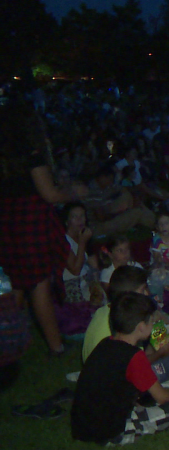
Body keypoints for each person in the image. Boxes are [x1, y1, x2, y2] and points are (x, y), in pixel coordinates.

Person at [0, 95, 86, 355]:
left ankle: (12, 336)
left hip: (8, 221)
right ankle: (55, 346)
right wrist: (75, 192)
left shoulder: (5, 158)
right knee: (39, 284)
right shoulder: (31, 155)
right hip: (31, 222)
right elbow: (50, 194)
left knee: (17, 280)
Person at [71, 292, 169, 444]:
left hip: (82, 426)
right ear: (141, 327)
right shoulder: (133, 356)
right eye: (152, 322)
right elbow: (163, 397)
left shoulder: (105, 344)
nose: (154, 325)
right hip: (111, 431)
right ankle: (164, 424)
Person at [62, 202, 103, 304]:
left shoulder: (84, 236)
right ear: (66, 221)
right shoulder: (63, 241)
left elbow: (95, 266)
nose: (79, 220)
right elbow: (75, 270)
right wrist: (82, 243)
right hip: (71, 288)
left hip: (87, 283)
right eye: (74, 217)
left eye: (82, 216)